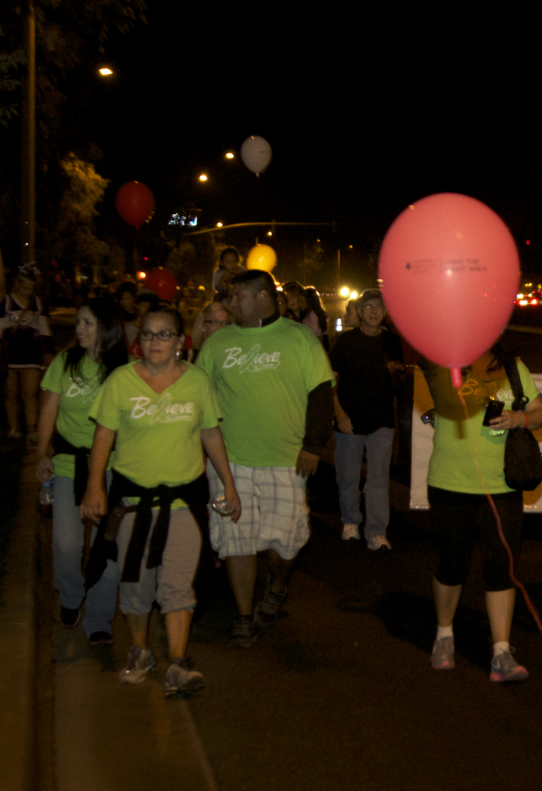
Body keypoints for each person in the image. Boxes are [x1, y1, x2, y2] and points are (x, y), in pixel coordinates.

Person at [80, 304, 240, 697]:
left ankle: (178, 665)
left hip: (183, 501)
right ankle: (140, 652)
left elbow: (211, 434)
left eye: (164, 334)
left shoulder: (197, 382)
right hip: (133, 502)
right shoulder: (120, 380)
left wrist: (229, 484)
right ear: (139, 340)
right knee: (136, 584)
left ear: (180, 341)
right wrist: (94, 486)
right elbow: (104, 435)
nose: (155, 341)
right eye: (148, 334)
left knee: (177, 584)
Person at [196, 270, 334, 647]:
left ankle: (277, 585)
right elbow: (197, 395)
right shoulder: (218, 343)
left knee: (284, 543)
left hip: (286, 460)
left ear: (261, 297)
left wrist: (313, 445)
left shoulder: (299, 338)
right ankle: (244, 616)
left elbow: (321, 394)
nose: (231, 303)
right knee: (237, 540)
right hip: (230, 463)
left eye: (238, 296)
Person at [424, 339, 542, 681]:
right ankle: (444, 636)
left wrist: (520, 417)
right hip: (450, 482)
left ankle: (501, 652)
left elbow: (541, 414)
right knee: (452, 563)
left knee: (501, 568)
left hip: (502, 488)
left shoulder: (512, 366)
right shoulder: (444, 359)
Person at [34, 296, 129, 642]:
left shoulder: (125, 370)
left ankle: (100, 618)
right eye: (78, 321)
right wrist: (42, 452)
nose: (79, 329)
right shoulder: (66, 362)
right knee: (66, 543)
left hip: (112, 470)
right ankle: (71, 596)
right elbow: (49, 409)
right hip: (68, 464)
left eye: (88, 323)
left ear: (107, 328)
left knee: (107, 548)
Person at [330, 289, 405, 551]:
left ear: (385, 313)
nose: (374, 311)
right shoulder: (345, 341)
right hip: (349, 420)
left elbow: (399, 383)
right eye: (369, 306)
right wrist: (339, 413)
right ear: (360, 312)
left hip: (382, 419)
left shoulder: (392, 341)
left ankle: (376, 532)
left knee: (378, 479)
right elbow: (331, 380)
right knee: (348, 477)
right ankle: (350, 522)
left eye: (379, 307)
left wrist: (396, 374)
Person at [2, 264, 53, 441]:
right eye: (25, 288)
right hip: (10, 355)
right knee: (11, 393)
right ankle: (13, 428)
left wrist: (48, 352)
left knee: (30, 392)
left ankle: (32, 429)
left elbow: (45, 330)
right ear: (17, 284)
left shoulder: (37, 303)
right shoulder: (7, 302)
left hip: (31, 354)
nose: (28, 292)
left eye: (31, 288)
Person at [282, 281, 329, 351]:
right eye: (287, 297)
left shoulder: (310, 316)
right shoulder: (286, 318)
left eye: (293, 296)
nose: (290, 300)